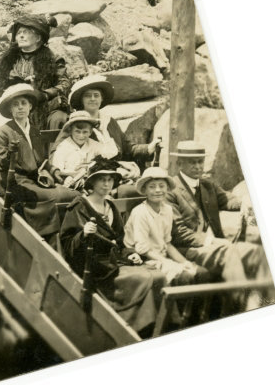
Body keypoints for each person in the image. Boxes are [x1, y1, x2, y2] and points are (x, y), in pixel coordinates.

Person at [60, 157, 166, 334]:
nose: (107, 184)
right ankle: (135, 328)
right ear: (92, 183)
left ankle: (152, 328)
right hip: (95, 269)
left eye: (110, 180)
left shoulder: (110, 206)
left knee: (159, 276)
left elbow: (120, 241)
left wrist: (130, 253)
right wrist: (83, 234)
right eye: (102, 179)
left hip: (115, 263)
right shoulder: (79, 206)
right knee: (147, 278)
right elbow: (67, 245)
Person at [167, 140, 263, 283]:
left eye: (200, 161)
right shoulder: (171, 190)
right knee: (231, 254)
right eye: (192, 162)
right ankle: (241, 297)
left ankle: (260, 295)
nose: (198, 166)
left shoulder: (207, 185)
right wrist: (211, 241)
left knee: (254, 252)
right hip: (187, 249)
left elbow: (229, 200)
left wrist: (248, 201)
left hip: (217, 245)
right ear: (179, 164)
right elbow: (178, 233)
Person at [0, 84, 79, 241]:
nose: (20, 108)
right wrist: (11, 153)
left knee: (74, 194)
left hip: (35, 180)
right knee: (56, 197)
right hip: (15, 182)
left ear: (30, 106)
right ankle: (47, 238)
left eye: (23, 103)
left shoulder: (33, 130)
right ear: (10, 110)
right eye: (15, 105)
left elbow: (41, 161)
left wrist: (57, 173)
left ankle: (68, 237)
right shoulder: (3, 132)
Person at [124, 167, 211, 286]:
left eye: (161, 186)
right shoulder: (140, 212)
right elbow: (142, 249)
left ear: (167, 188)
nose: (158, 190)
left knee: (202, 273)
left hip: (161, 257)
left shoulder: (167, 210)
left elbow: (167, 243)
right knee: (185, 277)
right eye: (152, 187)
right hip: (142, 260)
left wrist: (184, 262)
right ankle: (178, 303)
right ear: (145, 190)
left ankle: (197, 304)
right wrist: (168, 263)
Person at [0, 13, 69, 130]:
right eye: (19, 33)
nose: (21, 36)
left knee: (59, 119)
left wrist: (44, 94)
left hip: (44, 107)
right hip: (14, 106)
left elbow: (64, 84)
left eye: (26, 32)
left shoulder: (54, 59)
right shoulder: (7, 60)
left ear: (38, 38)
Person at [68, 75, 141, 195]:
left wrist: (149, 148)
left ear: (102, 99)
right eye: (88, 95)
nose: (92, 99)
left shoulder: (109, 121)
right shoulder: (76, 124)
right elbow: (79, 159)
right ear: (81, 100)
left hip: (117, 173)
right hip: (93, 177)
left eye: (96, 95)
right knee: (128, 191)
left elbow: (128, 147)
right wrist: (118, 166)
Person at [51, 110, 118, 189]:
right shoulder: (64, 147)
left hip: (91, 182)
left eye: (85, 132)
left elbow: (112, 152)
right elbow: (58, 170)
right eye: (77, 132)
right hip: (70, 182)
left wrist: (103, 131)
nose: (81, 136)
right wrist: (72, 174)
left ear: (90, 132)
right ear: (70, 131)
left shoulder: (92, 144)